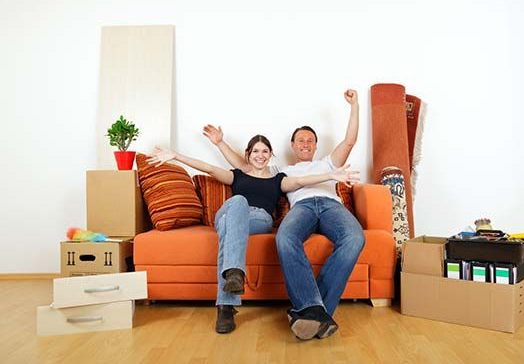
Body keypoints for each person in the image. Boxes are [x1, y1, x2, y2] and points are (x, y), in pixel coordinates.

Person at [148, 134, 359, 334]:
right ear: (248, 155)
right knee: (238, 202)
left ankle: (226, 306)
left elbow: (302, 181)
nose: (260, 155)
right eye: (256, 151)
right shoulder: (237, 175)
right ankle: (232, 282)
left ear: (271, 155)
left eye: (265, 151)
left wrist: (331, 175)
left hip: (259, 220)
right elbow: (208, 168)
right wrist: (176, 156)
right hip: (230, 214)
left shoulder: (279, 179)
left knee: (230, 232)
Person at [202, 89, 363, 340]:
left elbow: (350, 141)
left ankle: (313, 311)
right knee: (284, 238)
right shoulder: (281, 171)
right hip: (303, 208)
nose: (306, 144)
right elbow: (244, 166)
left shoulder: (330, 163)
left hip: (332, 205)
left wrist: (355, 105)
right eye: (301, 140)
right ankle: (314, 313)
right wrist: (220, 143)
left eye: (310, 141)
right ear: (292, 145)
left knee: (355, 238)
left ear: (316, 145)